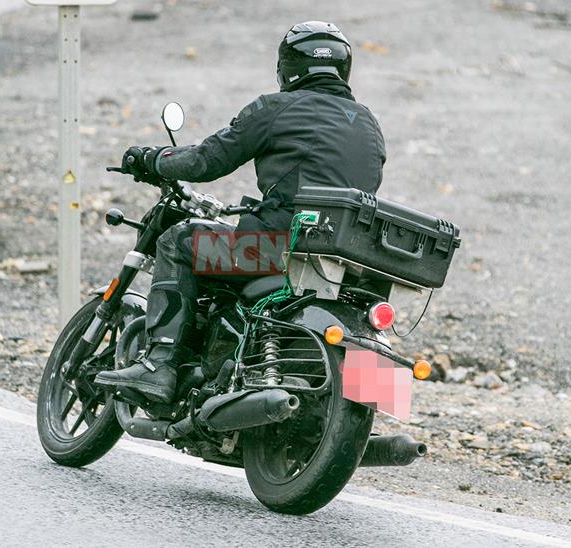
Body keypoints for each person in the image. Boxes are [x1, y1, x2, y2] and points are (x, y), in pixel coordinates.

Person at [95, 21, 386, 403]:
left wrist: (154, 159)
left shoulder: (276, 108)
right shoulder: (368, 123)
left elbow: (205, 161)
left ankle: (159, 367)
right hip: (343, 264)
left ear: (289, 67)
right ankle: (369, 402)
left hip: (270, 252)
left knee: (177, 240)